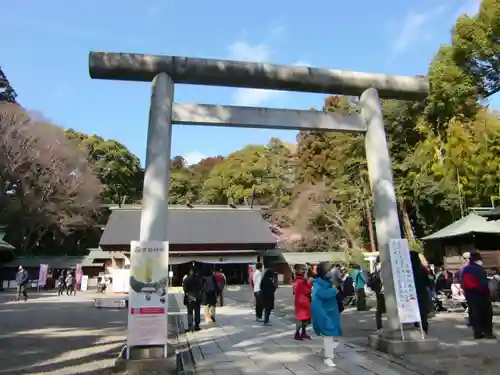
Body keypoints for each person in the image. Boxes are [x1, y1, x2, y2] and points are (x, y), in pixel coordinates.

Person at [311, 261, 342, 368]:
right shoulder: (319, 285)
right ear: (323, 272)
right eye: (328, 270)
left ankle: (327, 353)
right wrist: (334, 291)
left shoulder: (326, 283)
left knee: (330, 336)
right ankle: (328, 358)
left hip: (330, 314)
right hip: (325, 315)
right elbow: (322, 296)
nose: (331, 272)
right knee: (328, 336)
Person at [461, 252, 495, 339]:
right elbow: (483, 284)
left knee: (475, 314)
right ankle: (488, 333)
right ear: (478, 260)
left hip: (470, 295)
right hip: (481, 294)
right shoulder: (480, 270)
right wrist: (487, 294)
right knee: (487, 314)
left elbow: (463, 283)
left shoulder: (465, 269)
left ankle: (477, 333)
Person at [409, 251, 430, 334]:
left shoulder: (408, 269)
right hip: (422, 293)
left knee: (414, 315)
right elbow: (427, 282)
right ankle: (424, 331)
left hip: (411, 294)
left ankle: (416, 330)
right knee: (423, 315)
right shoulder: (422, 269)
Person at [293, 264, 312, 340]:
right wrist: (310, 283)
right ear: (298, 271)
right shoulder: (300, 281)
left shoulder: (299, 280)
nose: (304, 271)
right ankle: (297, 333)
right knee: (301, 319)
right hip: (302, 303)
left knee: (304, 319)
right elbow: (307, 291)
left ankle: (303, 333)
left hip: (302, 302)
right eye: (302, 269)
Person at [367, 256, 385, 331]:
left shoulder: (376, 267)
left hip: (379, 290)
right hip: (383, 290)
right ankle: (380, 326)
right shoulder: (383, 266)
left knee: (379, 310)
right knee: (381, 309)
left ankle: (379, 326)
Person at [183, 267, 202, 332]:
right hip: (197, 297)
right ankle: (197, 325)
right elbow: (201, 287)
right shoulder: (198, 279)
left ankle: (190, 326)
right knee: (197, 311)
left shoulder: (186, 279)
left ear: (190, 272)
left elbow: (185, 290)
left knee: (190, 312)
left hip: (190, 297)